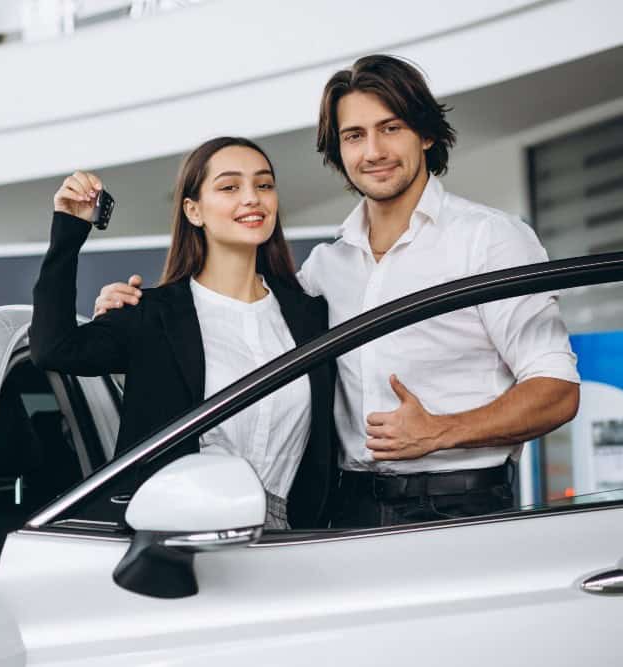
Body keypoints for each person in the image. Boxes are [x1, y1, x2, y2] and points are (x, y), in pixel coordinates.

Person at [93, 55, 580, 529]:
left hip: (460, 507)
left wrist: (441, 431)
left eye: (391, 128)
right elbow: (236, 342)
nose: (373, 151)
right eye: (354, 136)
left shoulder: (489, 239)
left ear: (426, 134)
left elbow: (556, 391)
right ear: (339, 152)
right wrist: (131, 316)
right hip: (343, 515)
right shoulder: (324, 268)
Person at [30, 137, 340, 530]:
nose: (252, 198)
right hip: (177, 536)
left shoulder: (311, 314)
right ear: (194, 211)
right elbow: (53, 350)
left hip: (290, 537)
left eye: (263, 185)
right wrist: (69, 230)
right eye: (229, 187)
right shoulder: (151, 315)